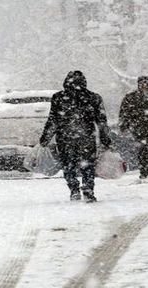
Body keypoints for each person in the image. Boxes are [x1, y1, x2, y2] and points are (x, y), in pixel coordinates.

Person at [39, 70, 111, 202]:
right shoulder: (93, 98)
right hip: (86, 137)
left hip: (65, 138)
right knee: (87, 165)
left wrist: (45, 138)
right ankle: (88, 189)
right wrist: (105, 139)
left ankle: (74, 189)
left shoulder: (59, 98)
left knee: (68, 165)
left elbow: (53, 120)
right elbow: (101, 121)